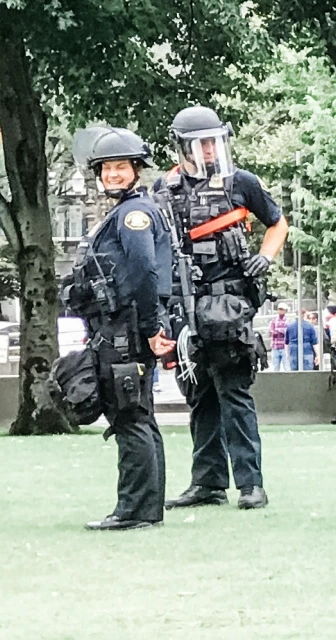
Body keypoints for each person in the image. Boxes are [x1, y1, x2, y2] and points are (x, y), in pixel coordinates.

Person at [156, 104, 288, 512]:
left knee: (234, 391)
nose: (210, 150)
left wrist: (265, 257)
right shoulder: (163, 189)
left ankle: (251, 483)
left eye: (214, 141)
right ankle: (208, 482)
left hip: (229, 302)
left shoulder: (241, 182)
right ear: (182, 146)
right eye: (201, 143)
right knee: (199, 395)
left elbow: (278, 222)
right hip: (186, 304)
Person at [61, 124, 176, 530]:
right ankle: (145, 508)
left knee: (130, 419)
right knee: (138, 416)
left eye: (120, 167)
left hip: (125, 332)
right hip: (123, 329)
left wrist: (147, 328)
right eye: (106, 168)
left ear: (136, 169)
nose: (112, 175)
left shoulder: (134, 215)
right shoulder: (130, 211)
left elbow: (145, 273)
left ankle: (135, 510)